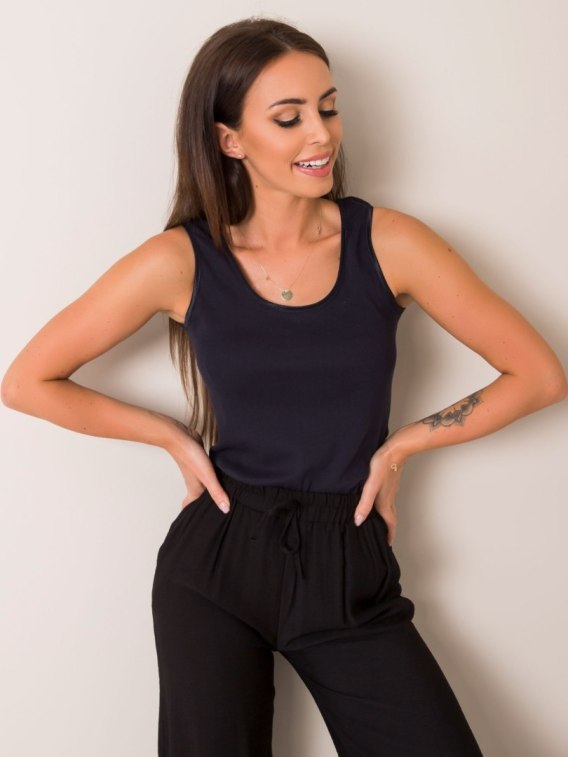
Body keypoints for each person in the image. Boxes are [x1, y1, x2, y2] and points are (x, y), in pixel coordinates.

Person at [2, 15, 566, 757]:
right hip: (218, 556)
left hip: (347, 558)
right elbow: (27, 381)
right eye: (289, 117)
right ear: (230, 139)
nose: (321, 135)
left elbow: (538, 374)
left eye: (328, 108)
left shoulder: (389, 242)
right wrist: (171, 436)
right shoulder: (181, 260)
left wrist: (403, 446)